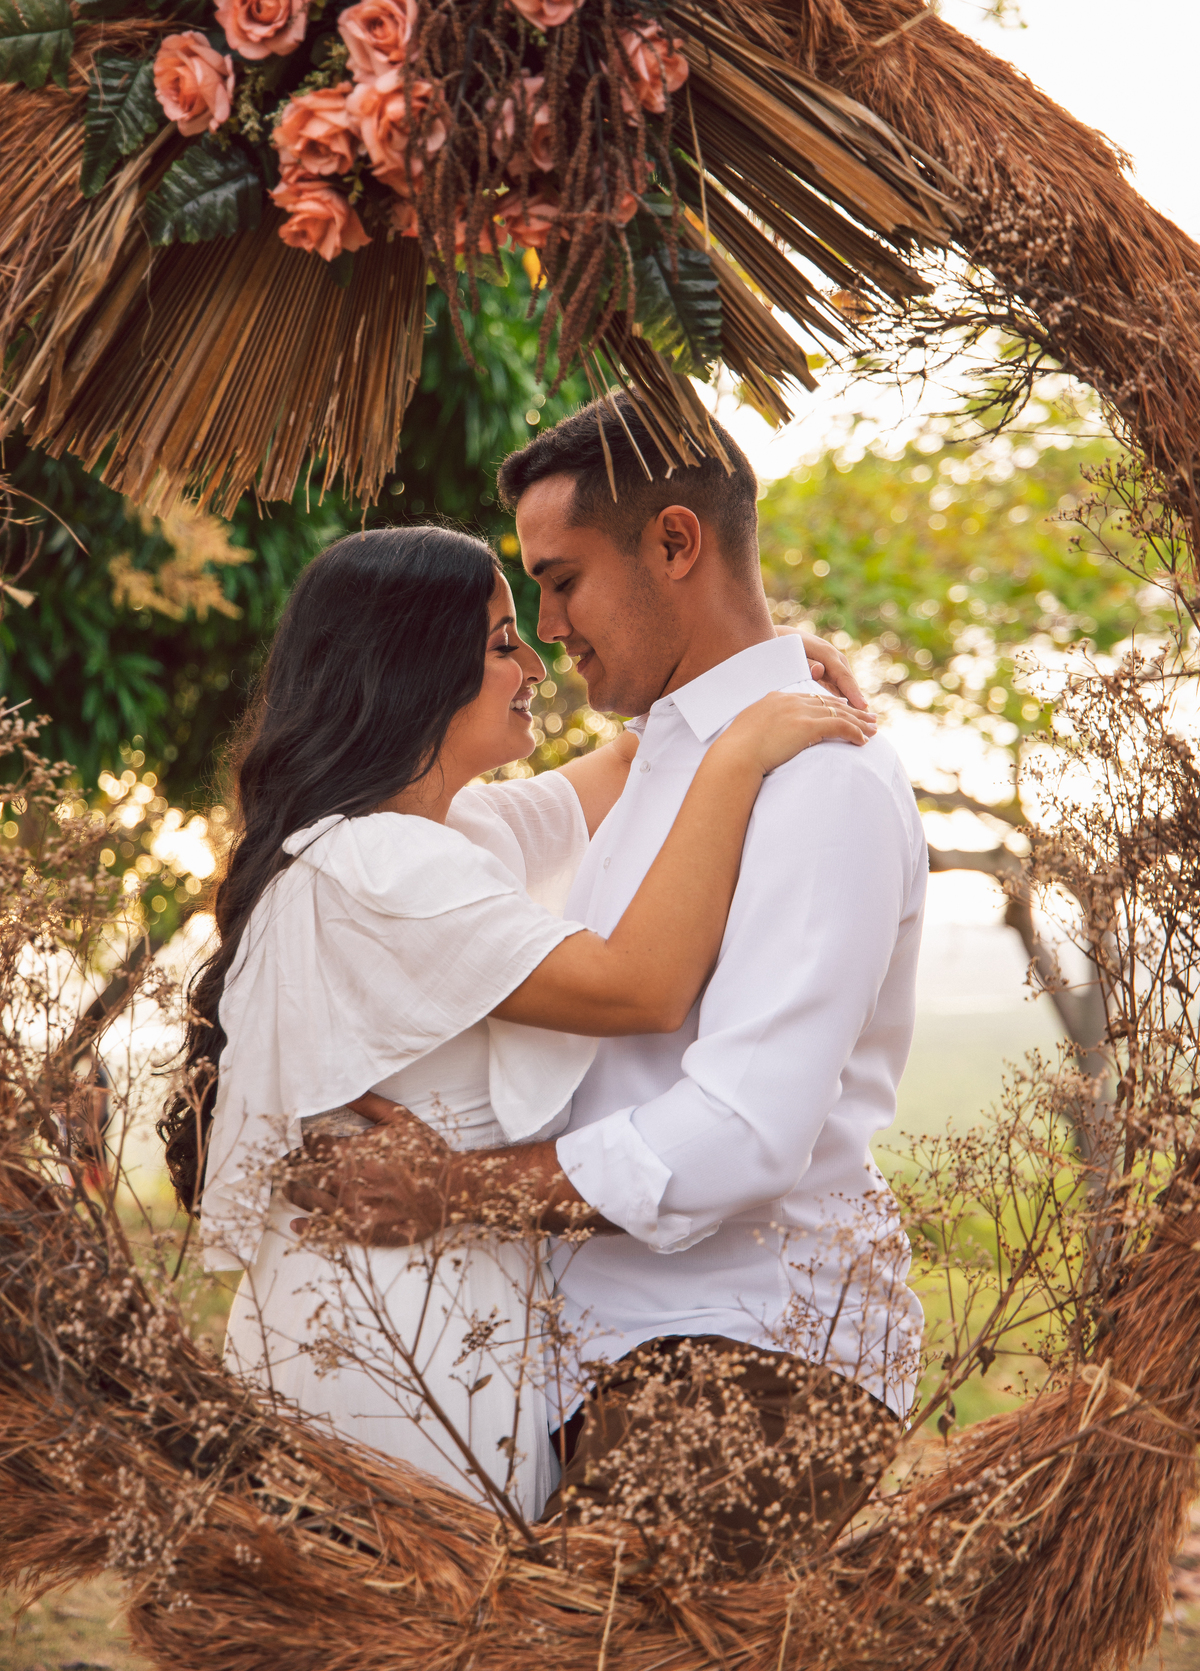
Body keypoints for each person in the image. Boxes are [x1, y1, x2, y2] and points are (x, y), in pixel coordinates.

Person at [289, 396, 928, 1569]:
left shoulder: (821, 784)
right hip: (594, 1347)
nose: (547, 629)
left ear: (675, 544)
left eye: (563, 580)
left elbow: (742, 1131)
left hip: (750, 1353)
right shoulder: (664, 765)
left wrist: (455, 1191)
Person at [161, 522, 870, 1523]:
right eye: (502, 643)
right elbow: (641, 988)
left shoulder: (436, 834)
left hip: (424, 1309)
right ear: (411, 669)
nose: (536, 663)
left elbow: (625, 765)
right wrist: (739, 758)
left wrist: (759, 668)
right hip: (393, 1338)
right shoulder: (382, 869)